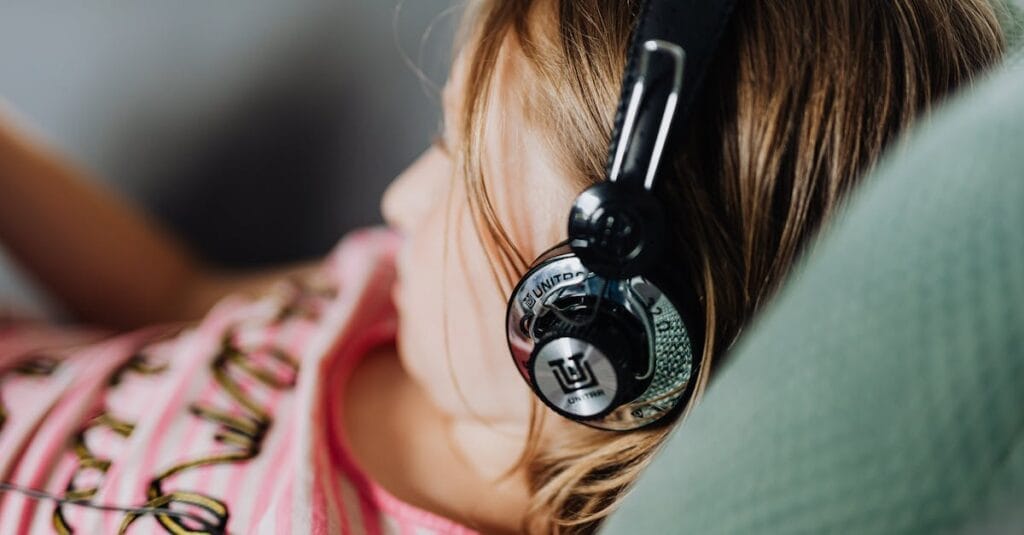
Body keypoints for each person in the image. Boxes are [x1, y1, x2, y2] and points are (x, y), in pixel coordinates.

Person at [0, 1, 1008, 533]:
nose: (398, 201)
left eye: (451, 167)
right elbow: (169, 299)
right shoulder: (382, 311)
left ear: (588, 325)